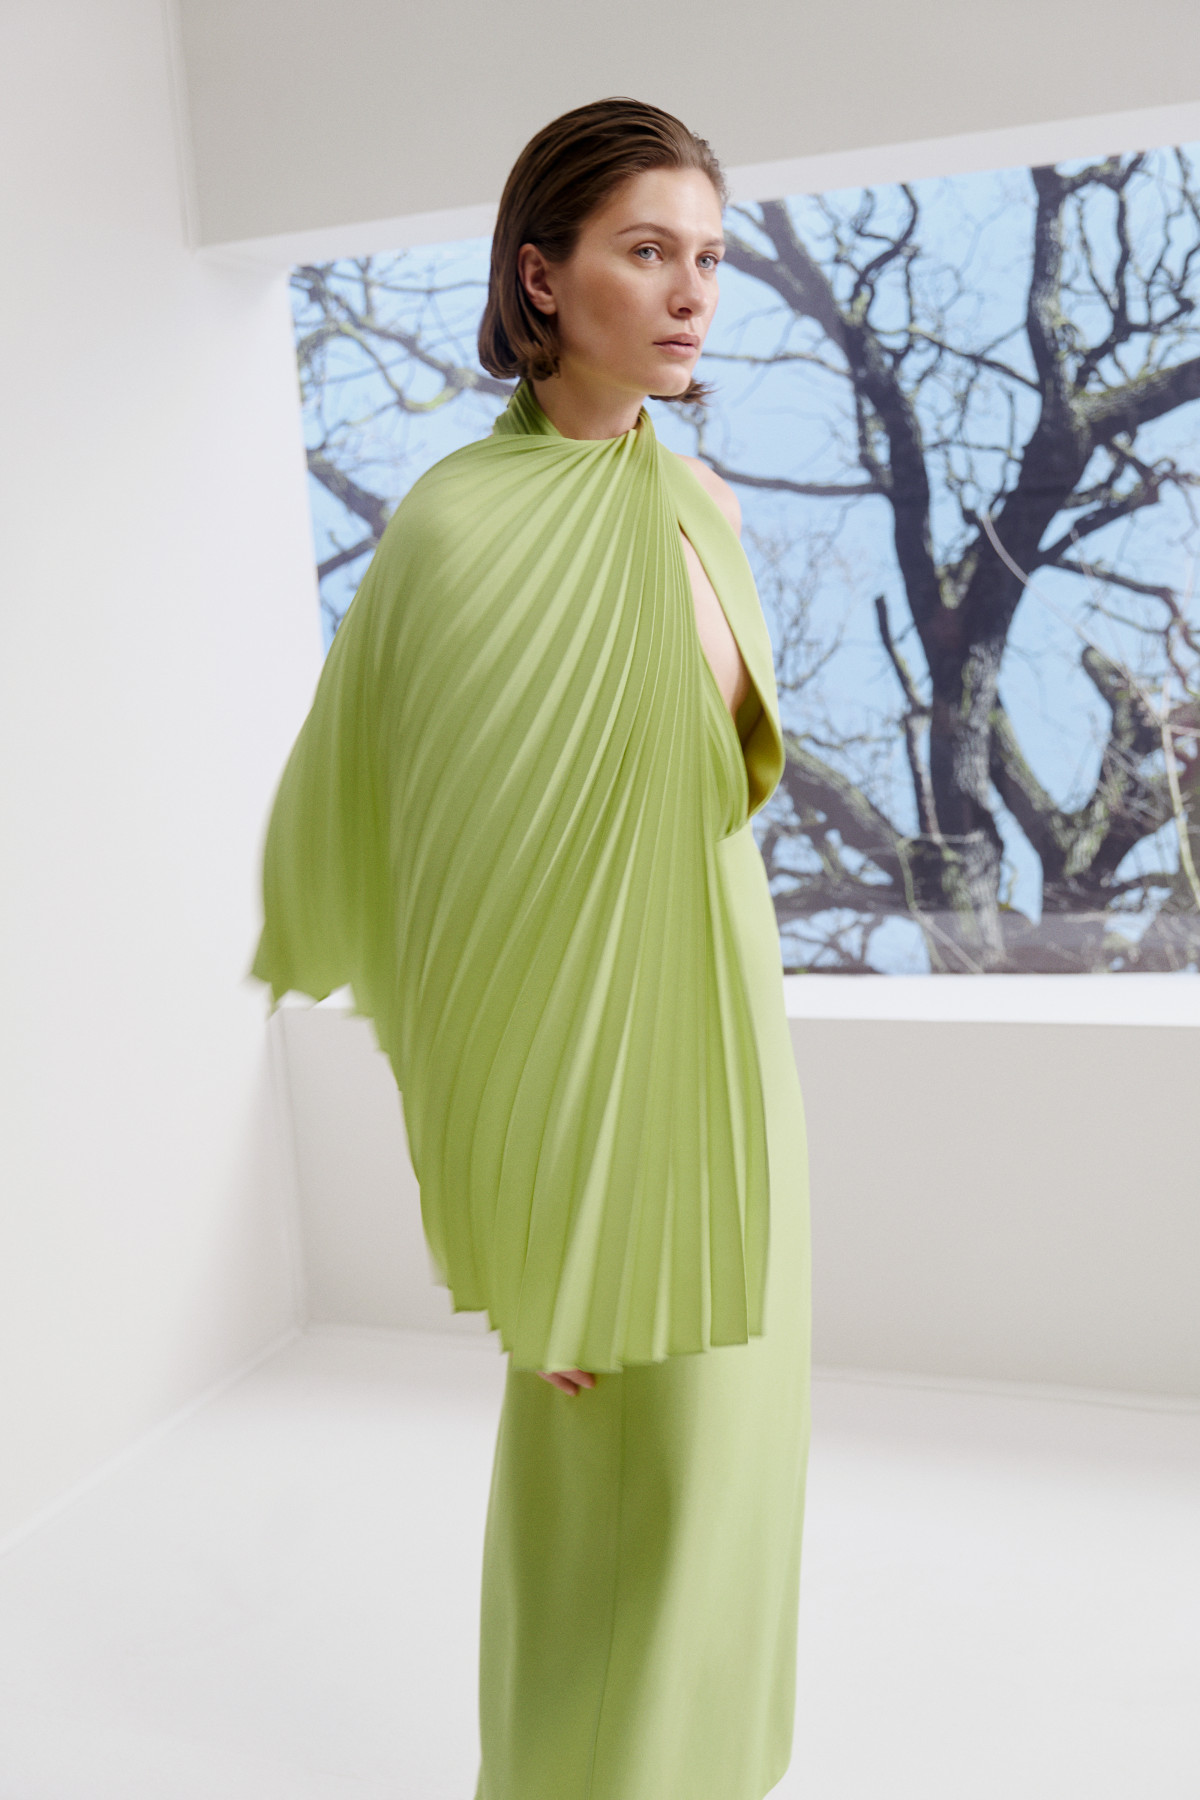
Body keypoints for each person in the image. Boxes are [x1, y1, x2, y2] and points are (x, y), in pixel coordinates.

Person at [252, 95, 811, 1800]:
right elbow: (447, 911)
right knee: (615, 1506)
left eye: (708, 256)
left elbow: (715, 808)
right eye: (647, 249)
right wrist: (519, 1216)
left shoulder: (700, 504)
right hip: (590, 1092)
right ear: (541, 276)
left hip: (730, 1048)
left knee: (728, 1480)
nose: (692, 291)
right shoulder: (456, 531)